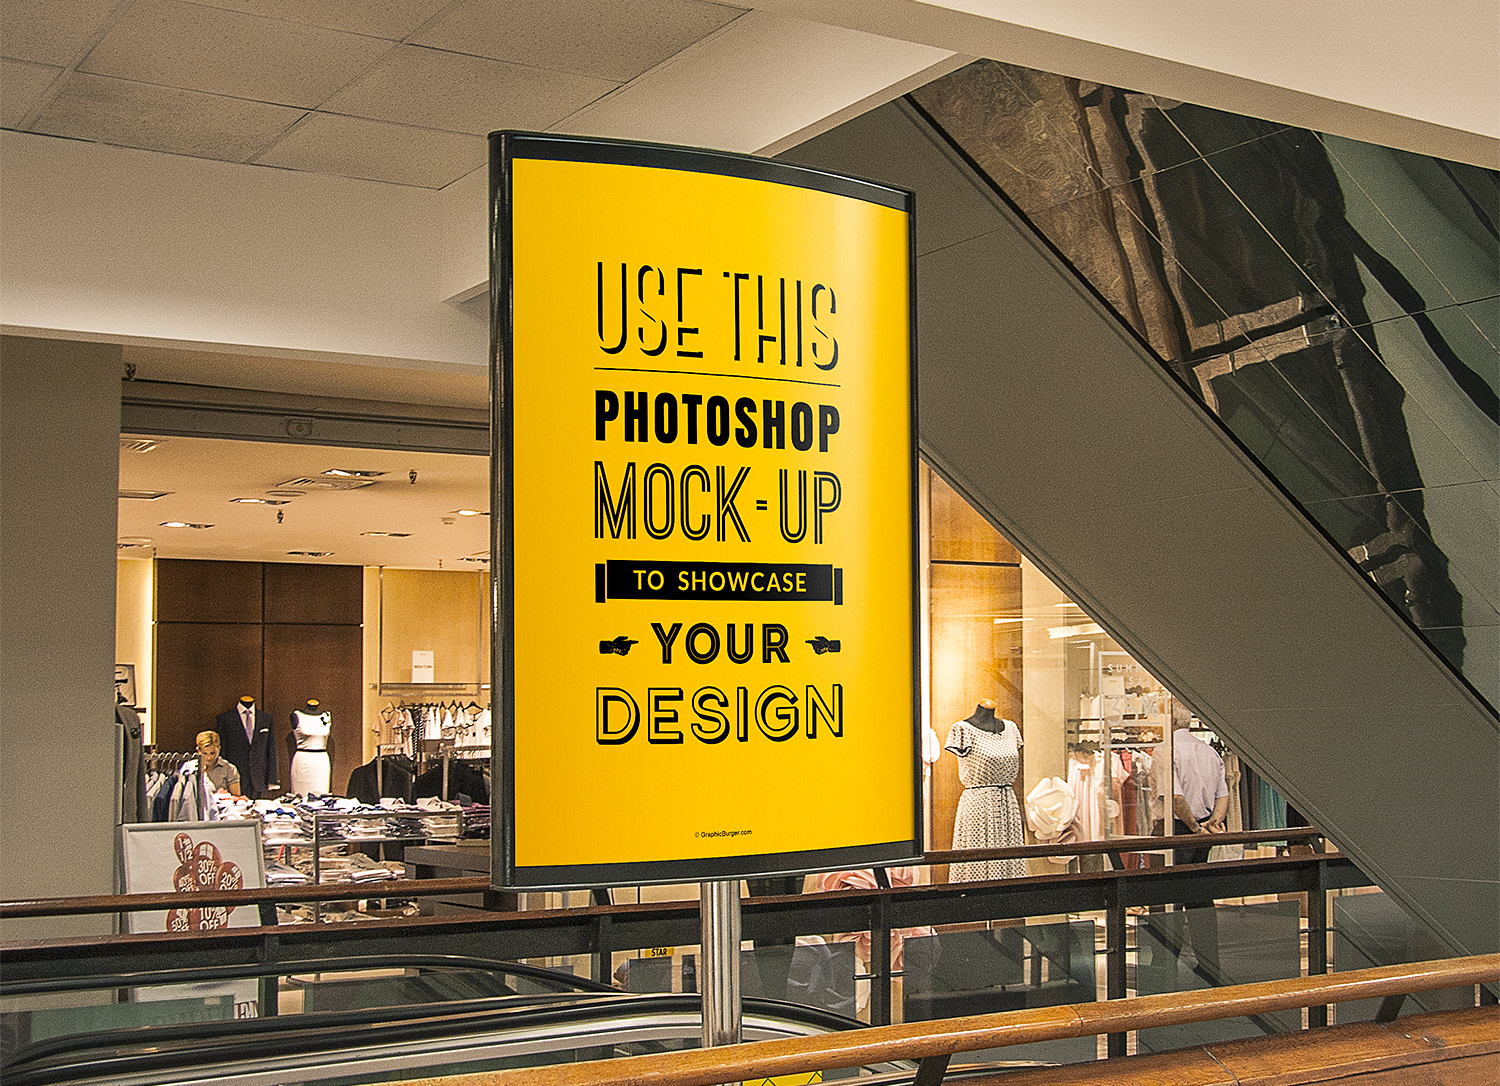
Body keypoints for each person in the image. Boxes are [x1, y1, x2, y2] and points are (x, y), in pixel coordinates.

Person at [194, 730, 241, 796]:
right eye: (204, 753)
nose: (209, 757)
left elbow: (237, 798)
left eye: (213, 753)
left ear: (219, 749)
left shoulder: (229, 769)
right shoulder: (189, 768)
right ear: (198, 750)